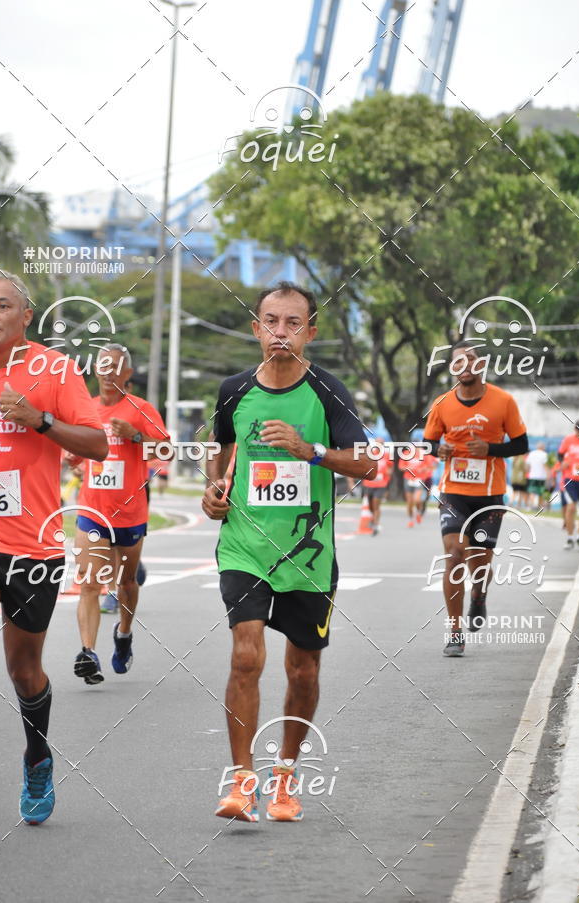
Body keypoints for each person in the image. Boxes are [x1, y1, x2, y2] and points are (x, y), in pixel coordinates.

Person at [202, 281, 374, 822]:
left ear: (310, 332)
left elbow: (367, 463)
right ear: (255, 329)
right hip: (245, 547)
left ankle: (285, 776)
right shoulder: (232, 390)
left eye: (292, 323)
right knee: (245, 656)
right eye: (271, 321)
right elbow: (223, 455)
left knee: (302, 671)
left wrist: (310, 451)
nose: (280, 332)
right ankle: (240, 781)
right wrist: (214, 492)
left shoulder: (329, 391)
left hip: (308, 552)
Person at [0, 271, 107, 827]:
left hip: (32, 545)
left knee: (23, 666)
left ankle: (37, 757)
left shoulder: (52, 370)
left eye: (2, 305)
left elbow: (97, 442)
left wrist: (40, 420)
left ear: (24, 317)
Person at [68, 344, 171, 684]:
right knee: (89, 583)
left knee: (127, 582)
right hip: (93, 511)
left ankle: (124, 633)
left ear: (127, 373)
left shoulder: (140, 409)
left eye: (116, 367)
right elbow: (79, 447)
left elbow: (168, 450)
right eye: (103, 366)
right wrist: (75, 459)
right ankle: (87, 652)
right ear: (94, 371)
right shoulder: (87, 408)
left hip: (130, 514)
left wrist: (137, 436)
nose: (108, 372)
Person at [424, 340, 528, 657]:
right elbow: (429, 443)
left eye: (470, 360)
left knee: (479, 564)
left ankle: (479, 596)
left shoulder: (504, 401)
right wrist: (437, 449)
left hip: (490, 497)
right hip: (454, 493)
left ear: (481, 365)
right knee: (454, 555)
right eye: (457, 362)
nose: (464, 366)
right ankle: (455, 631)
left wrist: (491, 449)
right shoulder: (442, 403)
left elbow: (521, 444)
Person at [558, 419, 579, 550]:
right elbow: (560, 455)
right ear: (575, 430)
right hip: (570, 480)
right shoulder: (568, 440)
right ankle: (569, 538)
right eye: (578, 431)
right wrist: (562, 463)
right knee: (571, 507)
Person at [361, 438, 393, 534]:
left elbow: (390, 469)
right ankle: (373, 519)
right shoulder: (370, 455)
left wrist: (388, 473)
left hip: (381, 484)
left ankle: (376, 523)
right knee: (371, 506)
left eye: (381, 444)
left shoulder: (386, 456)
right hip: (369, 483)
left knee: (376, 504)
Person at [399, 447, 433, 527]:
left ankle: (418, 512)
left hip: (419, 478)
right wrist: (408, 468)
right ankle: (410, 519)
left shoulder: (424, 454)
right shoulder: (406, 453)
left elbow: (429, 466)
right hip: (408, 479)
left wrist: (422, 469)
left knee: (417, 500)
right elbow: (401, 467)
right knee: (410, 502)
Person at [526, 442, 548, 510]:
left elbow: (527, 465)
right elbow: (546, 466)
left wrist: (528, 472)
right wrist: (548, 475)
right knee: (541, 493)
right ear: (543, 447)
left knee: (532, 492)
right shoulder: (545, 454)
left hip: (532, 475)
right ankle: (539, 506)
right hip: (542, 476)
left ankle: (531, 506)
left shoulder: (531, 454)